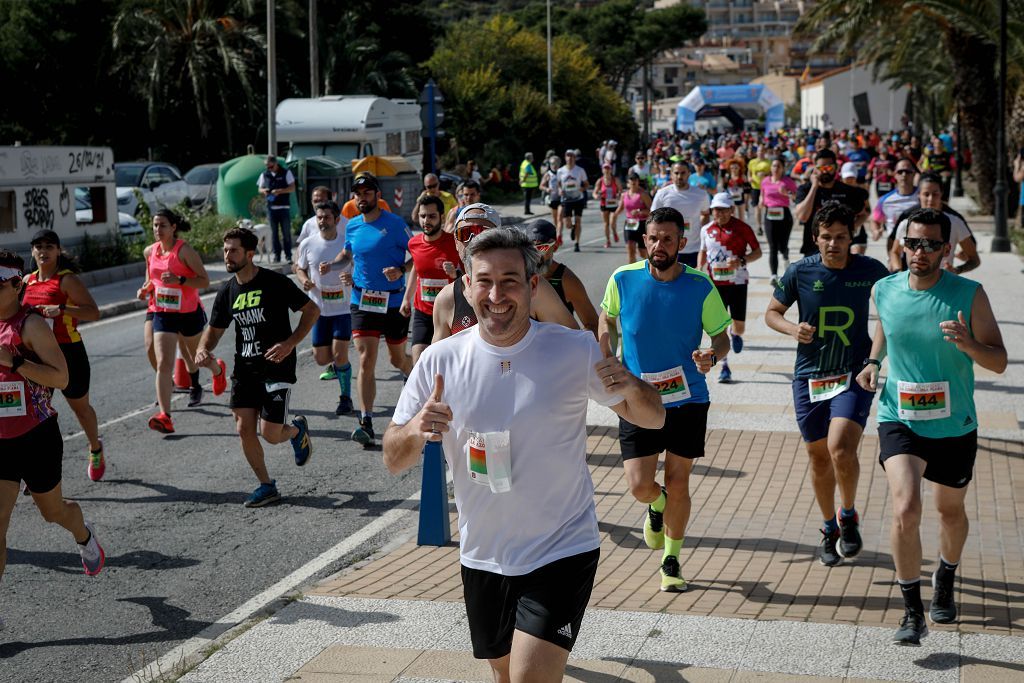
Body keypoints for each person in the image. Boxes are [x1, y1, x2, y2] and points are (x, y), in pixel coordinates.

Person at [383, 226, 664, 682]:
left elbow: (653, 419)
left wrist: (631, 383)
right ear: (467, 286)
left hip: (562, 548)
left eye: (510, 280)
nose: (497, 294)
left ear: (533, 286)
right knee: (504, 673)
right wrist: (416, 429)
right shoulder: (440, 361)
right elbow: (393, 458)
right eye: (485, 281)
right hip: (483, 554)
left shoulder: (572, 349)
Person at [855, 208, 1006, 645]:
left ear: (946, 249)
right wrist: (871, 361)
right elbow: (887, 326)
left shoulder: (969, 294)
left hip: (954, 423)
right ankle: (912, 612)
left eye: (930, 245)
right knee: (905, 509)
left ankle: (946, 573)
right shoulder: (884, 289)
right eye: (913, 243)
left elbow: (998, 361)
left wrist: (968, 343)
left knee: (950, 513)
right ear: (902, 243)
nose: (920, 252)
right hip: (898, 417)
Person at [600, 207, 731, 593]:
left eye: (668, 239)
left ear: (682, 242)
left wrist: (712, 354)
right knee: (640, 485)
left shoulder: (700, 285)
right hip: (638, 399)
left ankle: (671, 558)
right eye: (654, 238)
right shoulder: (622, 279)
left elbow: (721, 337)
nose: (660, 245)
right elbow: (606, 320)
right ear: (645, 240)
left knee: (678, 480)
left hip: (688, 397)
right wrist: (606, 355)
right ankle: (655, 506)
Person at [766, 202, 889, 567]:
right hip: (810, 375)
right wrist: (793, 329)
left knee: (840, 448)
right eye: (826, 237)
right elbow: (772, 313)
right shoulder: (800, 271)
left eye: (840, 237)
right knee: (819, 458)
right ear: (815, 238)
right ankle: (828, 528)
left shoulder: (871, 270)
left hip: (853, 372)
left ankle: (847, 514)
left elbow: (889, 313)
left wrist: (874, 360)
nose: (833, 244)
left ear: (852, 237)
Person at [0, 250, 106, 610]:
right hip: (0, 440)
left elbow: (61, 377)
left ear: (17, 286)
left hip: (35, 437)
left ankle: (84, 535)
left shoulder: (31, 326)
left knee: (53, 512)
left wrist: (14, 360)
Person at [196, 228, 318, 507]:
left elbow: (312, 311)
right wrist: (203, 349)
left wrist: (290, 343)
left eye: (233, 250)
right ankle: (266, 485)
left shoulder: (275, 282)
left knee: (271, 434)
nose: (227, 255)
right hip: (245, 369)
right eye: (225, 250)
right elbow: (213, 330)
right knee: (243, 429)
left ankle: (296, 431)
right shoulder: (227, 291)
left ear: (250, 254)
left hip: (277, 366)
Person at [325, 175, 413, 447]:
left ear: (377, 194)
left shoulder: (395, 224)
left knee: (397, 360)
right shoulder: (352, 226)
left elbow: (414, 257)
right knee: (365, 359)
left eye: (366, 192)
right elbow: (348, 254)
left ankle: (416, 377)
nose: (361, 198)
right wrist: (333, 264)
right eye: (357, 194)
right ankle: (366, 421)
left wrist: (400, 270)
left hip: (393, 301)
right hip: (363, 300)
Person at [21, 230, 105, 480]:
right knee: (36, 413)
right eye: (38, 246)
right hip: (37, 356)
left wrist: (62, 309)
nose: (43, 251)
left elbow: (93, 313)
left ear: (58, 251)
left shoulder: (66, 281)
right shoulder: (26, 281)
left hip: (69, 353)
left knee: (81, 409)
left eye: (49, 246)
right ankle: (35, 468)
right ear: (32, 251)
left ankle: (95, 447)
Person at [431, 204, 578, 341]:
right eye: (464, 233)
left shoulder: (531, 288)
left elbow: (573, 340)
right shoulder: (447, 299)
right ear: (456, 242)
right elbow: (436, 362)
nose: (473, 240)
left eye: (482, 232)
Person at [138, 209, 226, 434]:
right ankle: (165, 416)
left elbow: (204, 281)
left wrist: (181, 279)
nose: (158, 230)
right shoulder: (150, 251)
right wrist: (145, 289)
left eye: (162, 225)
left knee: (199, 356)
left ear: (173, 227)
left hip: (188, 312)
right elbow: (151, 280)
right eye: (155, 225)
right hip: (163, 312)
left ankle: (217, 370)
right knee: (164, 364)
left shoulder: (184, 251)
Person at [295, 200, 354, 416]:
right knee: (321, 358)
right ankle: (340, 367)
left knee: (340, 354)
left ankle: (345, 397)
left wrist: (351, 278)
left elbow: (358, 268)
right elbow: (299, 268)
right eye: (319, 217)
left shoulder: (346, 244)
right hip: (319, 310)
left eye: (327, 217)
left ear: (337, 220)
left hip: (343, 309)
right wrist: (304, 280)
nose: (322, 221)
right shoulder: (308, 244)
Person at [697, 193, 761, 383]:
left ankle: (736, 334)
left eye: (724, 209)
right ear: (712, 211)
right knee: (719, 328)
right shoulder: (706, 230)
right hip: (715, 286)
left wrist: (741, 260)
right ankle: (725, 366)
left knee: (738, 326)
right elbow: (703, 251)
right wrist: (700, 271)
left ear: (732, 210)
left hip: (738, 282)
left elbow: (757, 252)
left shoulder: (742, 228)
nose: (720, 213)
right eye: (717, 210)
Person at [401, 194, 460, 365]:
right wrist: (406, 299)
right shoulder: (414, 243)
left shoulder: (454, 243)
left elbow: (470, 276)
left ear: (442, 217)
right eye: (423, 216)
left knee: (442, 364)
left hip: (449, 312)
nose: (427, 220)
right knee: (418, 361)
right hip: (423, 313)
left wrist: (455, 274)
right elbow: (417, 271)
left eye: (432, 216)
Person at [889, 172, 980, 275]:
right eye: (926, 194)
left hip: (943, 286)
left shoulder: (955, 222)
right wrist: (898, 272)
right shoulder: (907, 222)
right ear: (919, 194)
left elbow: (974, 259)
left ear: (941, 193)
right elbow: (895, 252)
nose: (930, 199)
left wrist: (956, 270)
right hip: (911, 286)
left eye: (935, 194)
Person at [523, 219, 599, 336]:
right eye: (530, 248)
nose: (536, 255)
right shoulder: (518, 276)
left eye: (542, 247)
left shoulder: (566, 280)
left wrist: (575, 346)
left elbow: (593, 325)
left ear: (556, 246)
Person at [794, 149, 869, 258]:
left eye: (829, 167)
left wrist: (851, 228)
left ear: (836, 168)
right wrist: (814, 187)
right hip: (812, 249)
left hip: (840, 251)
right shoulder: (805, 190)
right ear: (815, 168)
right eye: (821, 168)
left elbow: (863, 214)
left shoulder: (847, 191)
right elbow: (802, 217)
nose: (825, 171)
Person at [651, 162, 710, 268]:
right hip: (669, 248)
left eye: (683, 173)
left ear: (689, 174)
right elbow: (652, 220)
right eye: (676, 173)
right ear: (671, 175)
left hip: (694, 248)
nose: (679, 176)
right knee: (670, 282)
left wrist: (703, 232)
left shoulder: (701, 194)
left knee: (690, 282)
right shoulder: (662, 194)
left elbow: (705, 214)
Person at [759, 157, 798, 288]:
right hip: (769, 214)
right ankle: (774, 275)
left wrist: (787, 193)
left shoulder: (788, 181)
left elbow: (797, 197)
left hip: (784, 215)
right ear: (771, 168)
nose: (775, 168)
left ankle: (786, 257)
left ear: (782, 169)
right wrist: (761, 202)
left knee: (783, 245)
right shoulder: (765, 181)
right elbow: (762, 195)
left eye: (778, 166)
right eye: (774, 166)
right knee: (772, 247)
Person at [870, 158, 918, 247]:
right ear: (894, 174)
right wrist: (875, 231)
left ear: (914, 173)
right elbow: (874, 220)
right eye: (900, 172)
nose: (904, 175)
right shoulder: (885, 200)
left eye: (908, 172)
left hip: (918, 247)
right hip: (894, 247)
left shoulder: (923, 196)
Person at [257, 155, 296, 263]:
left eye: (271, 166)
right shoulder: (264, 175)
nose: (269, 168)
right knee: (273, 234)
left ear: (276, 164)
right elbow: (259, 188)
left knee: (286, 233)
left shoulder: (286, 172)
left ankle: (288, 256)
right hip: (271, 208)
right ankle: (276, 256)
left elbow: (292, 187)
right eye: (267, 167)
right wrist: (264, 190)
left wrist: (280, 191)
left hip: (283, 207)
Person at [613, 173, 653, 264]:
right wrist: (614, 216)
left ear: (638, 181)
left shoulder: (643, 194)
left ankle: (652, 266)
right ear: (628, 182)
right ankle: (632, 273)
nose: (633, 181)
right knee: (630, 250)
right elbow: (620, 208)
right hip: (630, 224)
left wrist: (640, 211)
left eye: (635, 179)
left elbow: (652, 210)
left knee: (643, 253)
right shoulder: (624, 195)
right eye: (631, 179)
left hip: (642, 224)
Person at [557, 150, 589, 252]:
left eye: (572, 156)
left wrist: (582, 189)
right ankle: (572, 227)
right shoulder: (560, 171)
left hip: (578, 199)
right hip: (566, 199)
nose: (570, 158)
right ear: (565, 157)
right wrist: (559, 190)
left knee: (578, 220)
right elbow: (558, 183)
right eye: (568, 156)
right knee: (567, 224)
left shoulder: (580, 170)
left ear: (574, 158)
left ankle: (577, 243)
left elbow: (586, 184)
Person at [594, 163, 621, 248]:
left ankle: (614, 231)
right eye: (605, 168)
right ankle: (608, 241)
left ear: (611, 170)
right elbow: (594, 192)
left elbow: (620, 190)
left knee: (612, 222)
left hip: (613, 203)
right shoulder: (600, 181)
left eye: (608, 168)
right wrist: (596, 196)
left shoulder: (615, 180)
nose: (606, 170)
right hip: (604, 204)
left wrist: (618, 194)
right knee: (606, 224)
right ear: (602, 170)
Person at [747, 146, 772, 234]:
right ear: (756, 152)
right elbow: (749, 172)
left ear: (765, 152)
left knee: (766, 207)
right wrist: (749, 178)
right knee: (757, 208)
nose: (760, 152)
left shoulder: (768, 162)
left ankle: (767, 225)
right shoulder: (752, 162)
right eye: (759, 151)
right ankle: (759, 227)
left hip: (766, 187)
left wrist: (765, 174)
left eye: (762, 151)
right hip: (755, 187)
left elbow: (772, 173)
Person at [538, 156, 562, 230]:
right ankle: (558, 234)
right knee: (555, 219)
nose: (554, 165)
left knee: (560, 217)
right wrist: (547, 189)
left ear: (559, 164)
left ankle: (559, 234)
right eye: (552, 164)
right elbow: (541, 186)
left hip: (562, 198)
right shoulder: (548, 174)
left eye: (556, 163)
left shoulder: (563, 172)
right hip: (553, 199)